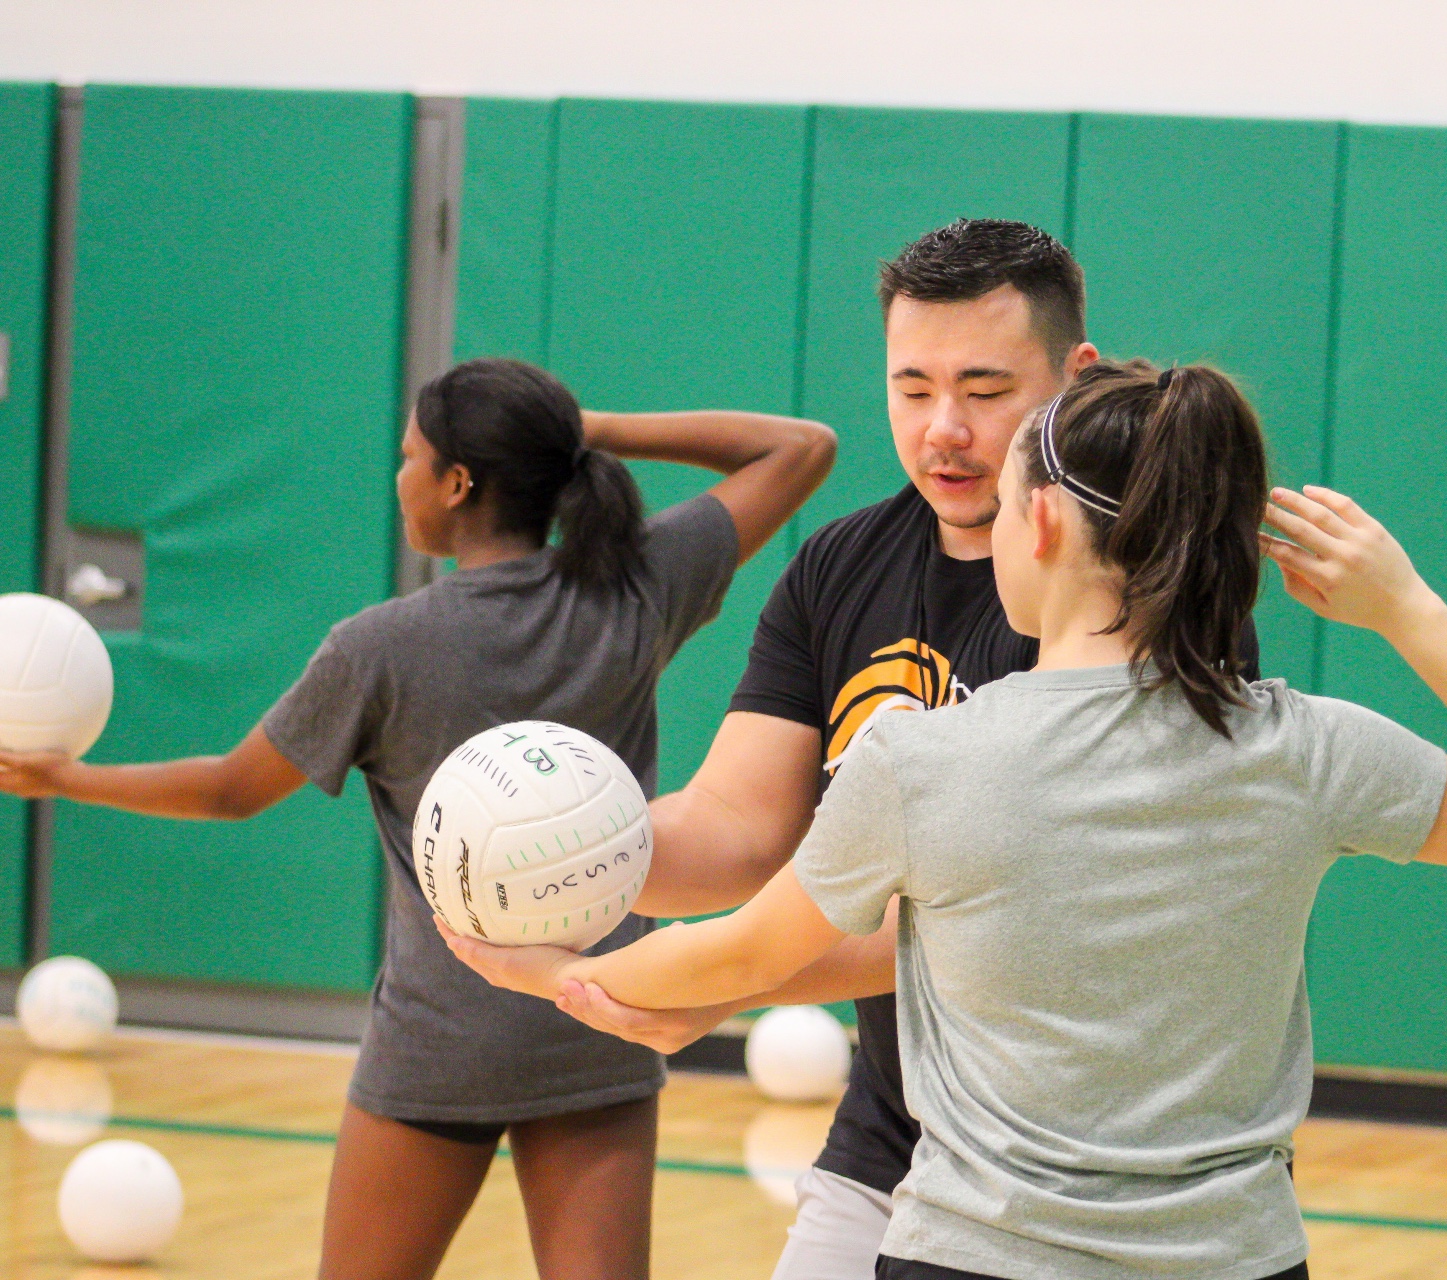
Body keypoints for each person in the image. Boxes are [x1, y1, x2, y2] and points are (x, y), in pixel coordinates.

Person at [444, 358, 1447, 1280]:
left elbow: (743, 949)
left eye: (1007, 505)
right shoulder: (1302, 745)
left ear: (1044, 524)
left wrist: (547, 970)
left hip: (975, 1256)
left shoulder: (922, 757)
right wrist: (1405, 607)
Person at [0, 357, 836, 1280]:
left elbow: (227, 791)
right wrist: (591, 428)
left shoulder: (380, 648)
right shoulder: (630, 589)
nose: (399, 478)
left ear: (456, 481)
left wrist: (66, 779)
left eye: (409, 457)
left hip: (442, 1044)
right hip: (598, 1020)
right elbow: (800, 448)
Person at [550, 219, 1251, 1279]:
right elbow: (738, 825)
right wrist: (553, 853)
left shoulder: (1155, 599)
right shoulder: (839, 565)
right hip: (894, 1136)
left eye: (983, 387)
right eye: (913, 388)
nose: (944, 431)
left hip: (1100, 1177)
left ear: (1078, 377)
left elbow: (1009, 906)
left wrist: (737, 974)